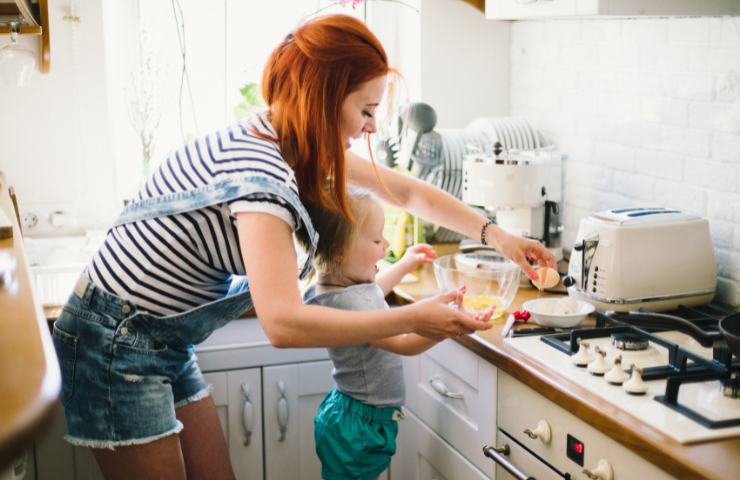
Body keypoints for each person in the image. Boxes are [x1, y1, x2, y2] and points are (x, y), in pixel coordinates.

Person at [51, 13, 556, 480]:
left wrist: (499, 237)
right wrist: (412, 318)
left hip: (161, 340)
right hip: (113, 345)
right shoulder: (262, 177)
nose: (372, 126)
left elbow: (405, 190)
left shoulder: (289, 142)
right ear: (323, 99)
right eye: (366, 109)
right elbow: (284, 323)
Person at [299, 189, 495, 480]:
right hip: (360, 425)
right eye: (377, 240)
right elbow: (403, 343)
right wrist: (450, 326)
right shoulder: (349, 304)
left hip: (352, 416)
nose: (385, 244)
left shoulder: (340, 288)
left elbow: (373, 295)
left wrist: (404, 264)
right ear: (341, 253)